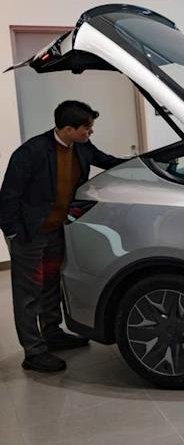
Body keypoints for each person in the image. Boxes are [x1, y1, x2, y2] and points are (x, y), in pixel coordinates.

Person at [0, 101, 125, 373]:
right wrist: (13, 233)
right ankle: (34, 352)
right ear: (68, 129)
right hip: (30, 234)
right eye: (86, 128)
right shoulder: (31, 152)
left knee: (51, 284)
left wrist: (148, 163)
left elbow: (109, 162)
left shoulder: (82, 147)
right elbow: (8, 195)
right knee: (28, 294)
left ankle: (52, 333)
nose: (90, 132)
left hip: (57, 231)